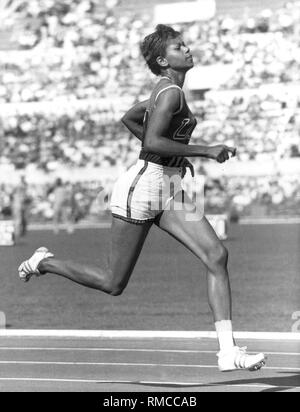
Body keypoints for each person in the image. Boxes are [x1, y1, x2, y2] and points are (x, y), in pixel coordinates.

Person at [18, 25, 266, 372]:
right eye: (180, 47)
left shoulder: (168, 91)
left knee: (216, 254)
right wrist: (203, 151)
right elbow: (151, 143)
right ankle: (44, 262)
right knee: (112, 282)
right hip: (143, 188)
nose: (188, 49)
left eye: (185, 44)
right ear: (164, 60)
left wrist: (177, 157)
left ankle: (228, 352)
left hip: (166, 186)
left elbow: (130, 119)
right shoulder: (170, 95)